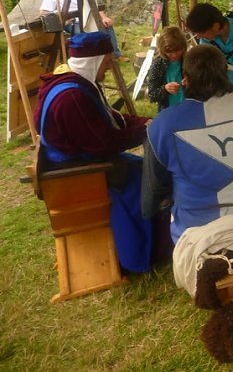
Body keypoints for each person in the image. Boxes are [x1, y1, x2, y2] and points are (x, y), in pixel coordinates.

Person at [142, 44, 233, 243]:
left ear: (185, 78)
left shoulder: (161, 123)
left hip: (192, 227)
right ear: (225, 73)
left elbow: (156, 185)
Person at [33, 31, 154, 272]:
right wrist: (142, 132)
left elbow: (111, 119)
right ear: (94, 61)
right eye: (107, 63)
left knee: (141, 167)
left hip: (83, 158)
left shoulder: (79, 85)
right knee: (146, 185)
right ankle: (135, 257)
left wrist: (143, 122)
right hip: (77, 172)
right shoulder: (72, 97)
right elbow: (102, 143)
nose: (108, 69)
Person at [147, 26, 188, 112]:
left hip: (189, 109)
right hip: (168, 111)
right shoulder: (157, 65)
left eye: (178, 50)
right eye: (169, 51)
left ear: (184, 47)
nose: (174, 55)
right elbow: (152, 95)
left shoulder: (189, 61)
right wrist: (165, 89)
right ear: (162, 49)